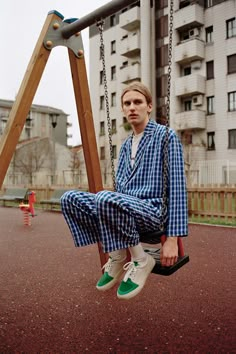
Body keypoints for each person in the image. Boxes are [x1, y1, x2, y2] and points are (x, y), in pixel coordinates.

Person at [60, 81, 188, 300]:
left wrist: (172, 240)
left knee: (105, 197)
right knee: (70, 199)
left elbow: (177, 188)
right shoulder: (127, 144)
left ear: (149, 106)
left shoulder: (166, 137)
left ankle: (141, 260)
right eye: (127, 103)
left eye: (137, 102)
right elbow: (120, 188)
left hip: (153, 213)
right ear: (122, 109)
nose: (132, 107)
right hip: (127, 212)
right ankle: (118, 255)